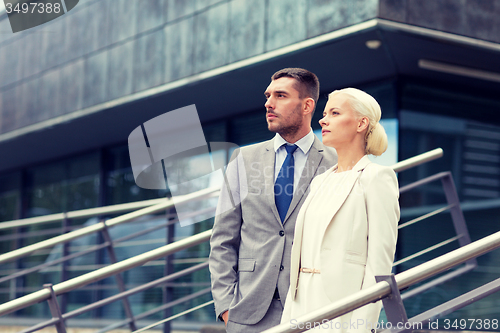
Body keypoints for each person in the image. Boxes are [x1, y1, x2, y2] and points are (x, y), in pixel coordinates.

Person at [209, 68, 337, 332]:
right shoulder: (244, 159)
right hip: (247, 311)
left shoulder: (335, 162)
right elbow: (223, 239)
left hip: (313, 309)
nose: (269, 103)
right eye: (268, 96)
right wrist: (225, 305)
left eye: (280, 95)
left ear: (307, 105)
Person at [280, 88, 400, 332]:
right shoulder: (320, 180)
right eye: (324, 113)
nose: (323, 120)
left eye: (335, 112)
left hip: (342, 308)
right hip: (301, 303)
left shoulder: (377, 177)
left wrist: (361, 325)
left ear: (361, 123)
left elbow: (379, 264)